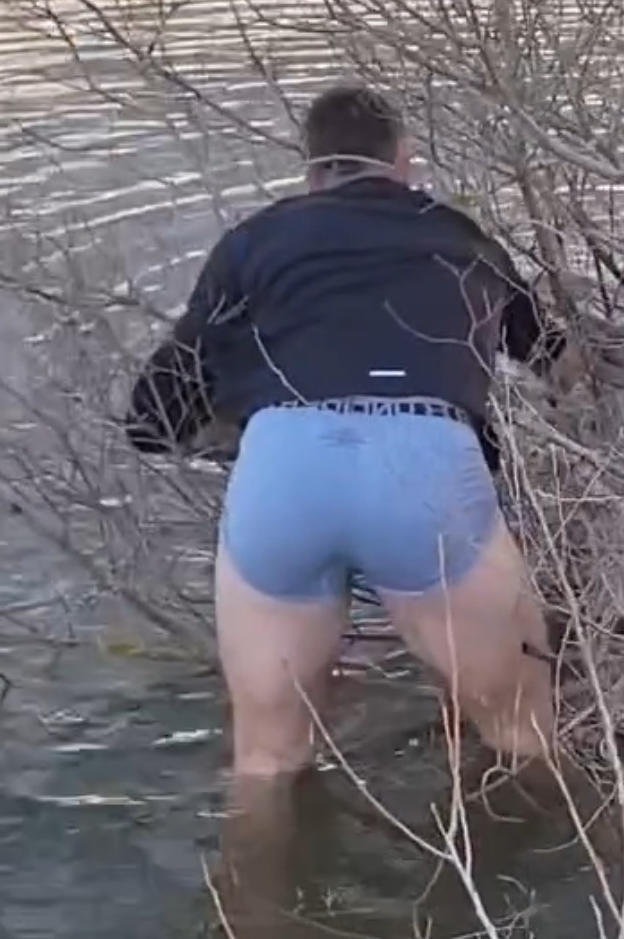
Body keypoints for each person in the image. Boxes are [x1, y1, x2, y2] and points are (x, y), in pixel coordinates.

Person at [126, 82, 571, 791]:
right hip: (424, 465)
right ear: (404, 161)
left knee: (265, 762)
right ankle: (524, 853)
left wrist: (230, 430)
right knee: (523, 737)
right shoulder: (463, 238)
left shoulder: (253, 243)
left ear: (311, 170)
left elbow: (152, 418)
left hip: (284, 468)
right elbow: (553, 359)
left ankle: (266, 863)